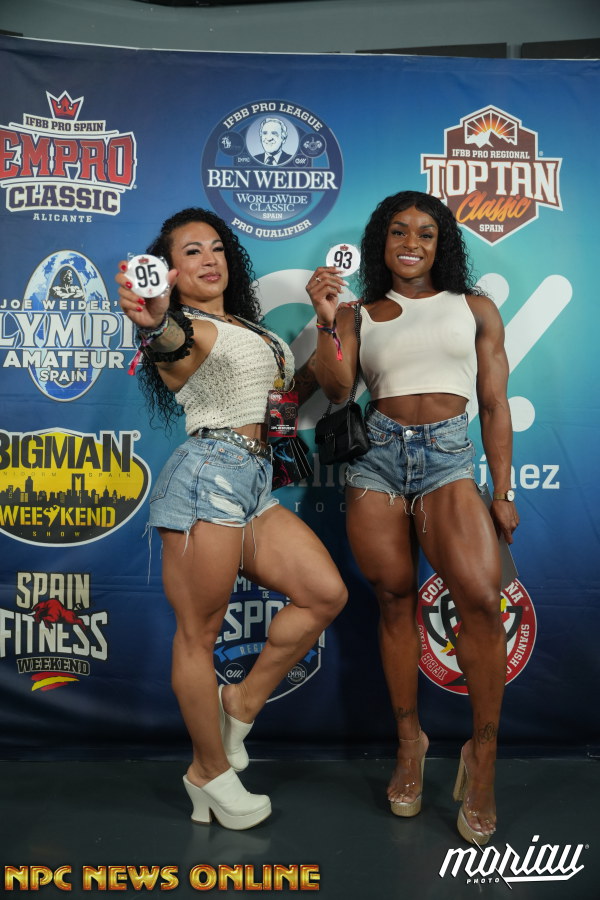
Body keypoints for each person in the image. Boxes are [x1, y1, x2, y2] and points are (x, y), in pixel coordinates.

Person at [116, 207, 346, 831]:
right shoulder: (182, 326)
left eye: (215, 247)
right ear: (169, 270)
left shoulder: (248, 328)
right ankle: (210, 771)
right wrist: (155, 320)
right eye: (191, 251)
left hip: (255, 484)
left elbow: (288, 396)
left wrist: (325, 319)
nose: (209, 258)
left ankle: (239, 701)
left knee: (324, 594)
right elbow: (170, 345)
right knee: (200, 635)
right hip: (205, 480)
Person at [306, 190, 519, 845]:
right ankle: (410, 744)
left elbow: (493, 404)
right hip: (375, 461)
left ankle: (483, 757)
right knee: (394, 599)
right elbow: (336, 390)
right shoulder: (357, 313)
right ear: (382, 241)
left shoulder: (474, 307)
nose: (412, 243)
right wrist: (326, 320)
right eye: (399, 231)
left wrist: (503, 490)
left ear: (441, 244)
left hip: (448, 459)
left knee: (480, 599)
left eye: (426, 233)